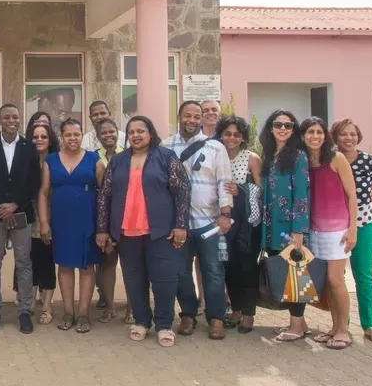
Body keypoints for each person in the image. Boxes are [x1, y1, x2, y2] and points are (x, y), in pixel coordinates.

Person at [97, 116, 190, 347]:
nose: (136, 135)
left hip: (161, 231)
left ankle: (164, 324)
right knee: (134, 279)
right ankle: (141, 321)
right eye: (131, 132)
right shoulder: (118, 161)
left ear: (150, 133)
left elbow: (183, 191)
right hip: (127, 232)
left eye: (141, 131)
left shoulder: (166, 157)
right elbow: (104, 196)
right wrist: (103, 229)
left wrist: (181, 225)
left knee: (164, 280)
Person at [164, 100, 233, 340]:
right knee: (181, 271)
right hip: (178, 224)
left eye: (196, 116)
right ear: (179, 116)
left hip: (209, 223)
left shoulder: (215, 148)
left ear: (201, 119)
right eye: (187, 116)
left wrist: (226, 214)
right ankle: (188, 314)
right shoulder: (165, 146)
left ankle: (215, 317)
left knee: (213, 271)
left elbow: (225, 181)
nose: (191, 120)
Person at [0, 104, 42, 334]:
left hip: (21, 211)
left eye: (15, 117)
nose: (11, 120)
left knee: (24, 262)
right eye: (7, 117)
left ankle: (25, 311)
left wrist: (15, 204)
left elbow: (34, 181)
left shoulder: (28, 147)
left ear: (19, 119)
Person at [37, 119, 103, 333]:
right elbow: (43, 192)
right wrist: (44, 222)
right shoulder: (51, 160)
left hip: (88, 221)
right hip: (61, 222)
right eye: (68, 135)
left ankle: (83, 314)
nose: (72, 138)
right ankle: (68, 312)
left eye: (76, 134)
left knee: (86, 267)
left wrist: (103, 226)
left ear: (82, 135)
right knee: (64, 266)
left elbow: (104, 194)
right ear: (62, 136)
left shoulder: (94, 159)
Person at [301, 117, 358, 350]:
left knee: (336, 279)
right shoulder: (304, 161)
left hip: (337, 230)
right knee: (327, 283)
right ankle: (334, 328)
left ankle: (344, 330)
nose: (315, 136)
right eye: (310, 132)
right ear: (303, 136)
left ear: (326, 135)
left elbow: (352, 195)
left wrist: (352, 229)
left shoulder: (337, 158)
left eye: (319, 132)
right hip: (314, 230)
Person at [258, 109, 311, 342]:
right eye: (278, 124)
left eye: (288, 125)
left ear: (293, 130)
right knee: (284, 275)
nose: (282, 129)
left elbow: (302, 194)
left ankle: (296, 327)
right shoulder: (269, 154)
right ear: (270, 127)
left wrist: (298, 230)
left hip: (290, 230)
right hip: (271, 227)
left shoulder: (298, 155)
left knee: (294, 277)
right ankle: (301, 324)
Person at [331, 118, 372, 344]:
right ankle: (342, 325)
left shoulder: (369, 160)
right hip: (335, 228)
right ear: (335, 137)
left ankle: (369, 324)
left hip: (365, 226)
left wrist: (363, 210)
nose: (348, 138)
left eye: (352, 134)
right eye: (343, 134)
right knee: (336, 278)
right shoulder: (329, 159)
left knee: (363, 276)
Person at [214, 114, 262, 334]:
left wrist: (240, 191)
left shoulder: (251, 158)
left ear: (243, 138)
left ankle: (249, 314)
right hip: (223, 223)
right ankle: (235, 309)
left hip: (247, 226)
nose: (232, 138)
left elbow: (262, 192)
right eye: (228, 133)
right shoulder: (215, 154)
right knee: (228, 267)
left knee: (247, 268)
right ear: (221, 134)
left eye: (237, 134)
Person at [93, 118, 132, 324]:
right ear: (98, 136)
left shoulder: (128, 155)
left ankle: (132, 308)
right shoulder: (93, 158)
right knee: (108, 262)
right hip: (105, 217)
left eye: (112, 131)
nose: (108, 135)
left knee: (131, 264)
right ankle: (108, 306)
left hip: (129, 217)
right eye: (104, 133)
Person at [25, 121, 58, 325]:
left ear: (50, 139)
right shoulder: (25, 160)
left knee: (46, 262)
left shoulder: (56, 160)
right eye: (35, 136)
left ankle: (46, 307)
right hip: (27, 218)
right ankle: (28, 304)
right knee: (28, 262)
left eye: (43, 136)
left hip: (52, 217)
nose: (39, 140)